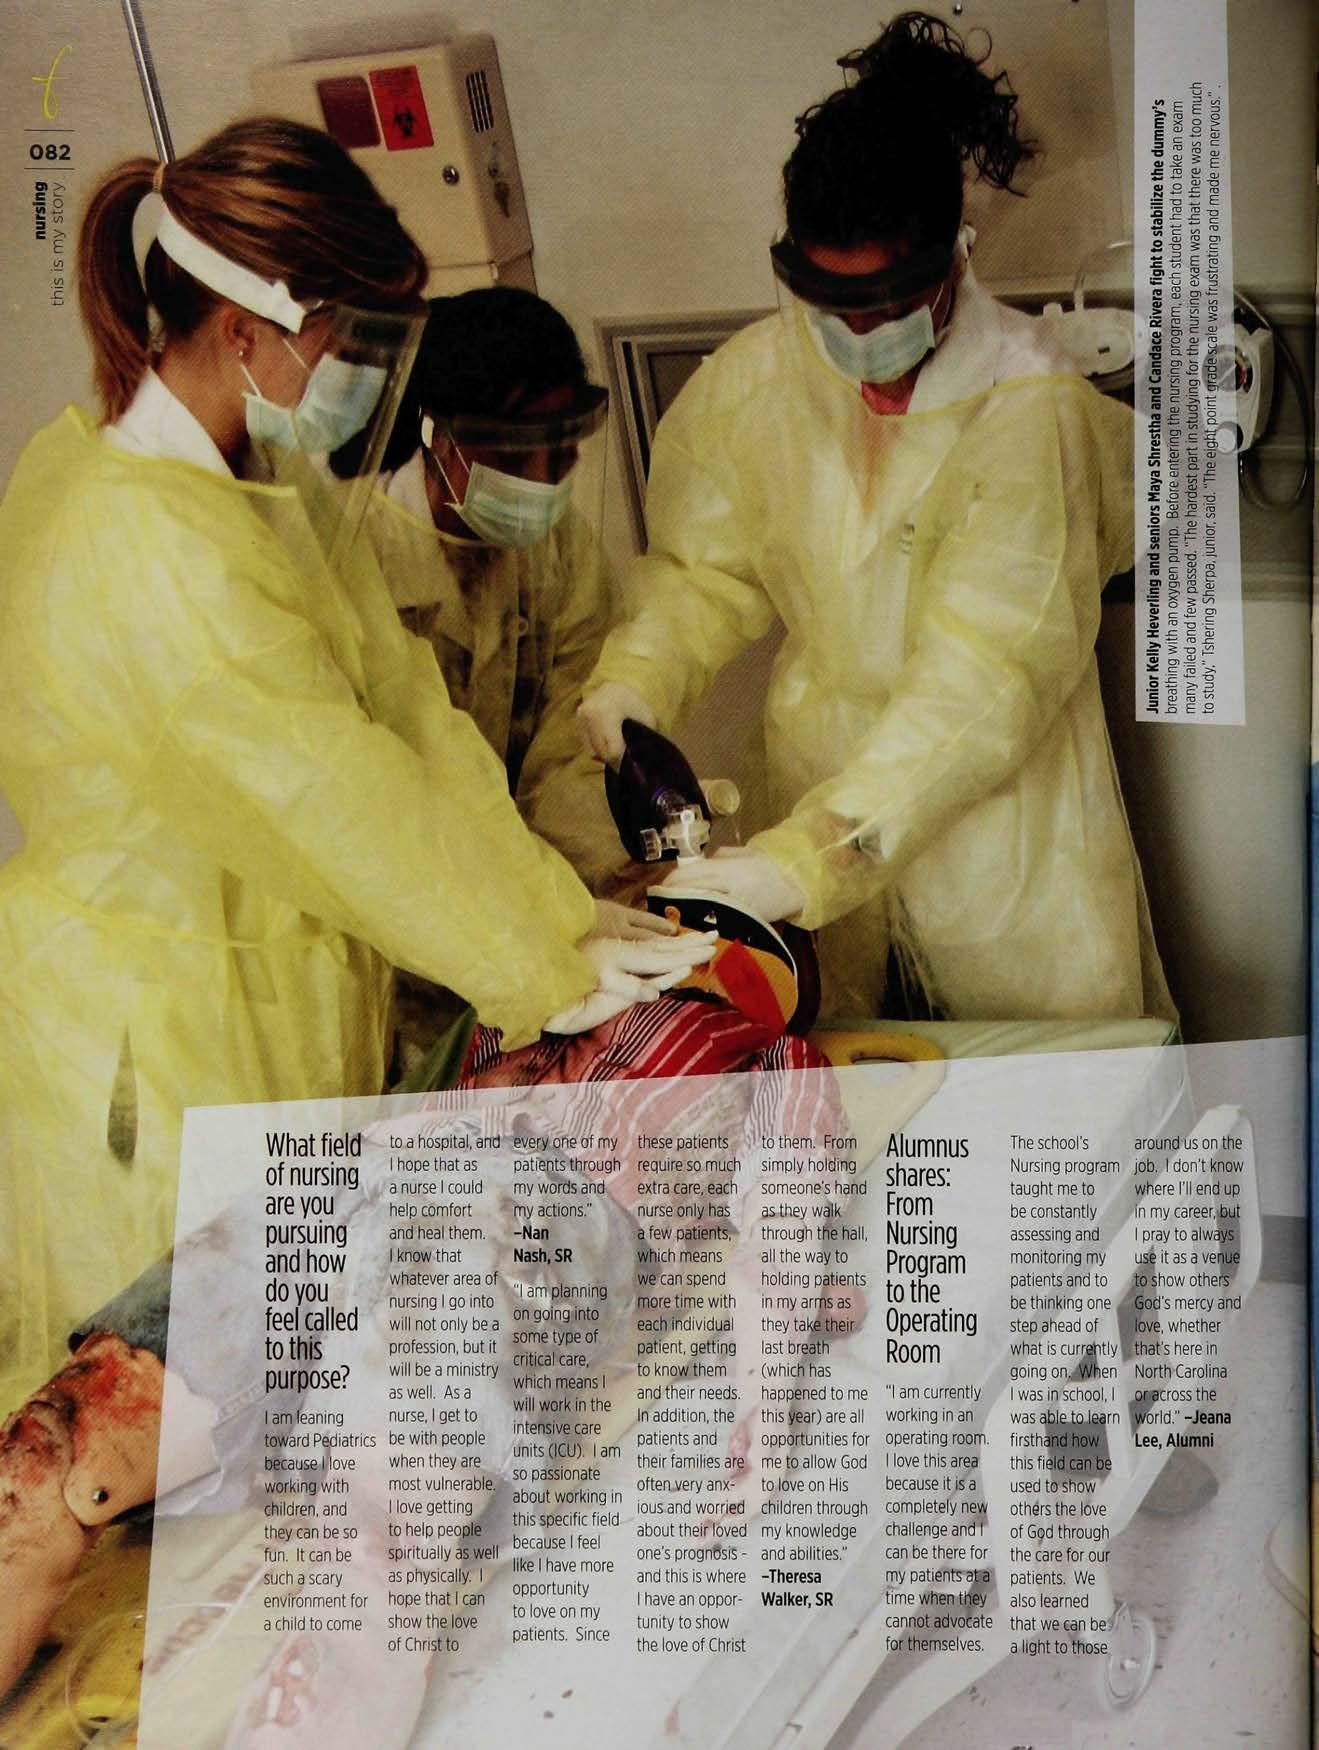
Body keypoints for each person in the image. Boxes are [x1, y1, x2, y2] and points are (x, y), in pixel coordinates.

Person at [0, 118, 711, 1405]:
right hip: (153, 1052)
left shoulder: (265, 486)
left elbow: (407, 721)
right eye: (354, 343)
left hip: (274, 1000)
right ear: (246, 330)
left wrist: (560, 911)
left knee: (310, 1398)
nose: (366, 380)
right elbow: (335, 794)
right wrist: (537, 961)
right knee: (165, 1442)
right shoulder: (143, 542)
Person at [579, 11, 1173, 1027]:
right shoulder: (759, 379)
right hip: (814, 778)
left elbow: (986, 677)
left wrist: (810, 857)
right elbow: (704, 568)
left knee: (1044, 1092)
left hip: (997, 827)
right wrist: (639, 673)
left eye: (886, 302)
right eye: (829, 300)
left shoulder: (1027, 409)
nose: (857, 333)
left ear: (950, 262)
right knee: (837, 1087)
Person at [351, 290, 635, 1079]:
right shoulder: (353, 555)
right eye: (515, 457)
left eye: (561, 451)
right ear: (436, 435)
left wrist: (604, 891)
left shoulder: (559, 551)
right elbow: (380, 805)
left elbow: (568, 748)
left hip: (529, 903)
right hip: (395, 932)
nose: (543, 480)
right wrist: (530, 916)